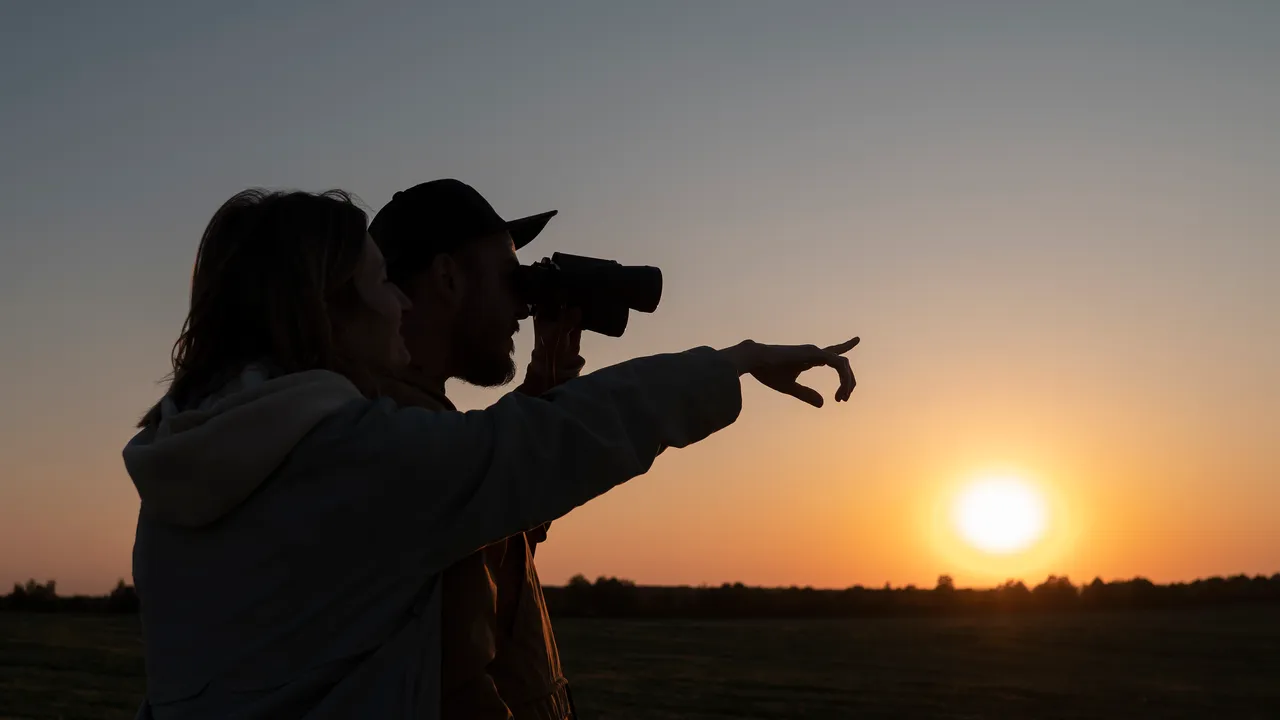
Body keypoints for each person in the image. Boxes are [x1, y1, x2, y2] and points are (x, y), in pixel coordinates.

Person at [123, 187, 858, 719]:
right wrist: (734, 361)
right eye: (380, 284)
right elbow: (529, 455)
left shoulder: (205, 454)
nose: (399, 307)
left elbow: (454, 517)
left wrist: (538, 397)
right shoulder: (350, 453)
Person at [366, 179, 584, 720]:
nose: (523, 301)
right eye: (511, 276)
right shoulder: (403, 441)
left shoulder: (417, 423)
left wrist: (548, 378)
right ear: (446, 276)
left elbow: (502, 536)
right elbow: (458, 690)